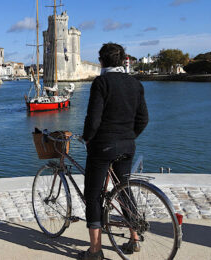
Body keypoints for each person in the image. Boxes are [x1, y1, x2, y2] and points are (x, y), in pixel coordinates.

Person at [78, 43, 149, 260]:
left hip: (103, 146)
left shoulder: (101, 82)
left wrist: (87, 138)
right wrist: (128, 136)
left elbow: (93, 119)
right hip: (127, 145)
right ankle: (134, 238)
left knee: (93, 195)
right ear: (122, 60)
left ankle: (95, 250)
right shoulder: (135, 83)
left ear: (102, 61)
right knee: (124, 189)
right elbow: (143, 119)